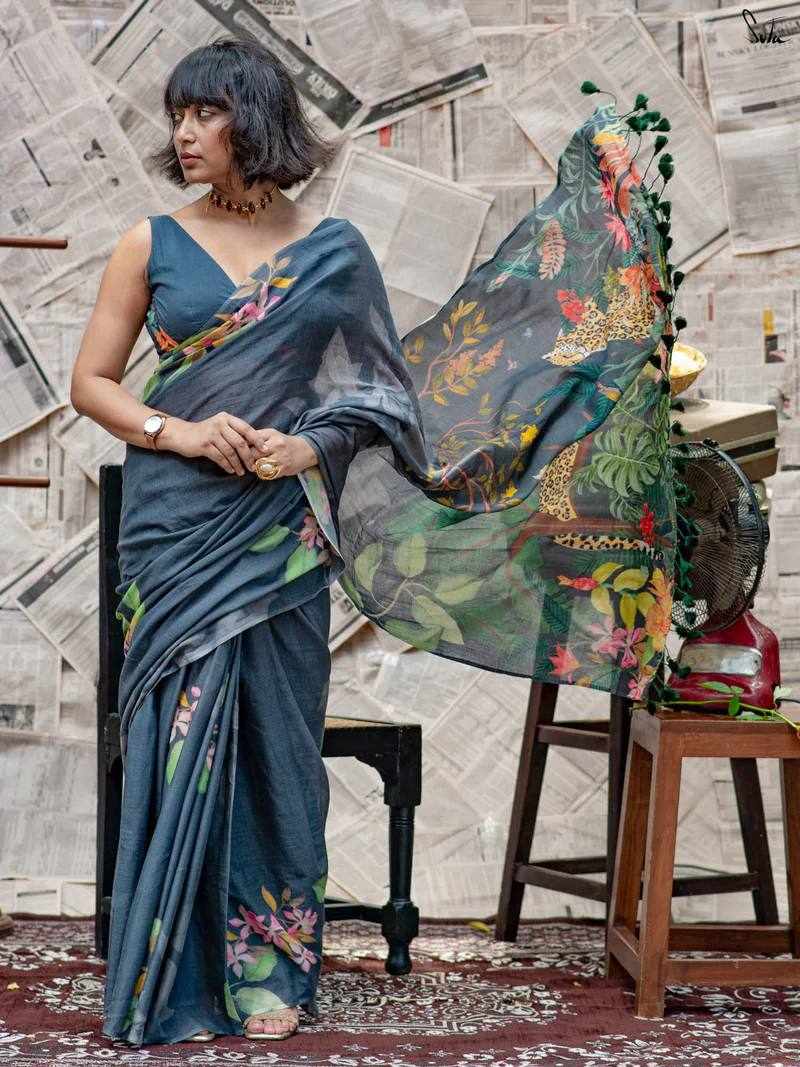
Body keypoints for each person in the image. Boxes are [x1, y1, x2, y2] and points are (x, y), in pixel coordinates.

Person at [71, 32, 676, 1049]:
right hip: (175, 527)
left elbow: (381, 396)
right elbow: (91, 383)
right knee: (177, 744)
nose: (184, 133)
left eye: (206, 112)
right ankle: (168, 970)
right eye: (178, 115)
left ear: (255, 120)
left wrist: (305, 445)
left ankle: (268, 974)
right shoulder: (150, 243)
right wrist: (180, 431)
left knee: (276, 744)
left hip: (278, 531)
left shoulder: (334, 251)